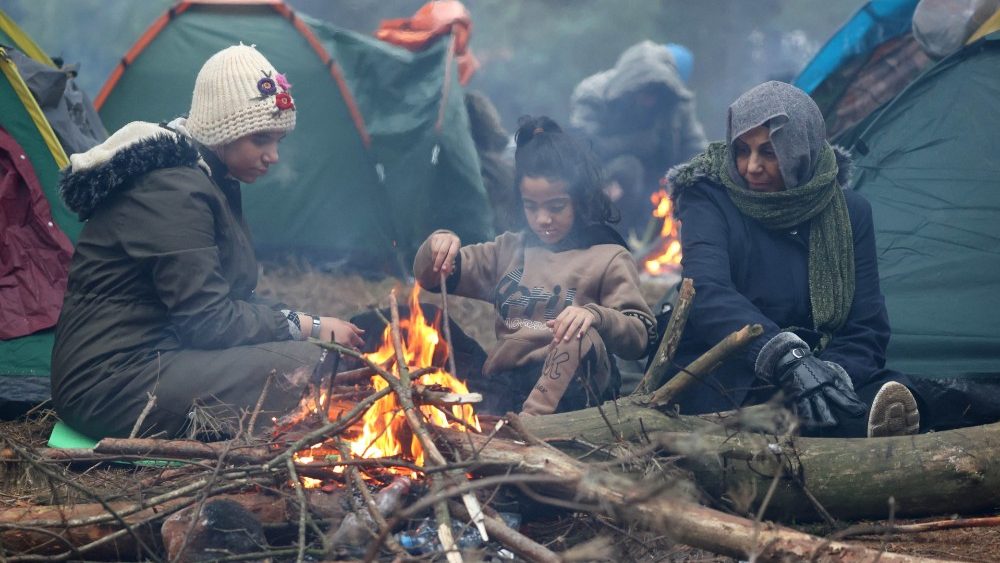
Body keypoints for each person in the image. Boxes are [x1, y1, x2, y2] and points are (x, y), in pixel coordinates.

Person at [51, 45, 365, 440]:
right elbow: (209, 322)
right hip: (111, 384)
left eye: (279, 141)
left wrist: (301, 322)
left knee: (319, 360)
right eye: (261, 139)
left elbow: (228, 297)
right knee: (308, 366)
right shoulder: (173, 189)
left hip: (161, 354)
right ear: (224, 129)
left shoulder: (206, 177)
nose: (273, 156)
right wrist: (310, 326)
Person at [664, 80, 920, 438]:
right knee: (758, 410)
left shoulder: (849, 212)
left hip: (818, 362)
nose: (751, 166)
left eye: (769, 152)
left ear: (801, 149)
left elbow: (867, 326)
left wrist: (829, 375)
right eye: (742, 149)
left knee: (891, 391)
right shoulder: (707, 197)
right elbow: (707, 292)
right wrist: (786, 358)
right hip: (722, 362)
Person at [413, 116, 656, 415]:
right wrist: (439, 244)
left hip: (575, 388)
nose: (543, 219)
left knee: (577, 338)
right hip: (505, 385)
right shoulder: (509, 249)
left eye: (556, 207)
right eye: (531, 206)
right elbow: (430, 277)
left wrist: (596, 317)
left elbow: (640, 336)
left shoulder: (607, 257)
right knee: (422, 318)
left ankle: (531, 429)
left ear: (579, 200)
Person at [570, 40, 707, 237]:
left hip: (658, 187)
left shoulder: (676, 104)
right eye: (644, 92)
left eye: (655, 94)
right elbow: (582, 148)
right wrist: (637, 143)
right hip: (604, 186)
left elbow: (694, 148)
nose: (649, 100)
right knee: (628, 169)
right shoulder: (594, 96)